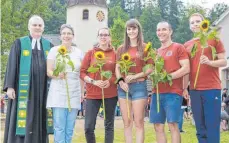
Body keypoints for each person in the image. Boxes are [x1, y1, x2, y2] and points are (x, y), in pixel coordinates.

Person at [3, 15, 53, 143]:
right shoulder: (19, 43)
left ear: (43, 28)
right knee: (22, 118)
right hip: (23, 91)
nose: (37, 27)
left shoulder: (49, 46)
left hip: (42, 91)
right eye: (34, 25)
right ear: (28, 27)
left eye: (40, 25)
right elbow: (12, 64)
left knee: (40, 116)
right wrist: (9, 86)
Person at [183, 13, 227, 143]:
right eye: (192, 22)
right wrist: (185, 88)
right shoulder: (187, 45)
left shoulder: (213, 39)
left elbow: (224, 61)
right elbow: (186, 69)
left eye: (198, 21)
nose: (195, 24)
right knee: (200, 127)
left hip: (211, 88)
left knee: (212, 125)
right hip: (195, 90)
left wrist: (209, 62)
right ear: (190, 26)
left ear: (203, 23)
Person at [149, 21, 190, 143]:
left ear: (170, 31)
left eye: (164, 29)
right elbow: (152, 72)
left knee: (173, 124)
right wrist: (152, 75)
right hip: (156, 93)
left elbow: (186, 68)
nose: (160, 32)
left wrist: (169, 77)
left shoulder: (178, 47)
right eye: (158, 30)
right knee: (158, 126)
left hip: (173, 92)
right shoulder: (155, 52)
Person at [115, 19, 152, 143]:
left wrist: (135, 76)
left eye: (134, 28)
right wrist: (121, 81)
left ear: (138, 30)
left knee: (139, 122)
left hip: (139, 86)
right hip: (123, 88)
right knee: (127, 122)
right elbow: (117, 67)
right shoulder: (121, 49)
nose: (131, 31)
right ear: (126, 31)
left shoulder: (146, 47)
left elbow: (150, 68)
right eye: (129, 29)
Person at [46, 24, 84, 143]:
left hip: (74, 91)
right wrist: (58, 75)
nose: (66, 36)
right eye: (64, 33)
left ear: (73, 36)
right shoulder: (54, 51)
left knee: (69, 127)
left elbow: (82, 73)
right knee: (59, 127)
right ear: (60, 36)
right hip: (58, 91)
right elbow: (48, 71)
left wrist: (82, 92)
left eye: (69, 33)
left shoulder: (79, 52)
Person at [80, 27, 117, 143]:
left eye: (106, 35)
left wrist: (109, 81)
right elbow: (82, 72)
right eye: (101, 35)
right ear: (98, 37)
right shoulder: (90, 53)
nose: (103, 37)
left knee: (109, 126)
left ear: (110, 37)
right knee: (88, 127)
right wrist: (94, 81)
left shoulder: (115, 54)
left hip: (110, 93)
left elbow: (118, 74)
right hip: (92, 93)